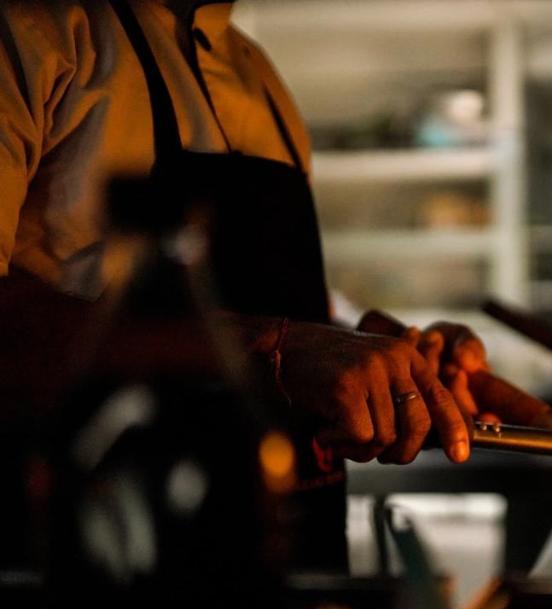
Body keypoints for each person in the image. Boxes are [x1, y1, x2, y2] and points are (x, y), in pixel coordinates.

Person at [0, 0, 495, 569]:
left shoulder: (258, 75)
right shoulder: (33, 34)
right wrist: (277, 350)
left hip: (292, 560)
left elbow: (263, 301)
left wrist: (374, 363)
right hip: (103, 561)